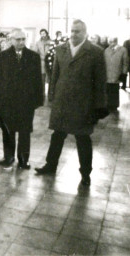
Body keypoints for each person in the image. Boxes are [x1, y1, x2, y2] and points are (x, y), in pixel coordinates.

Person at [35, 20, 107, 186]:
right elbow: (54, 76)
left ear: (85, 33)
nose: (74, 34)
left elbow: (100, 83)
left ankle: (85, 173)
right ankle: (50, 165)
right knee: (57, 135)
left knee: (83, 139)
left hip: (84, 104)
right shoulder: (61, 49)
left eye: (78, 31)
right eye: (72, 31)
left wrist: (99, 107)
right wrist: (51, 97)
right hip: (62, 101)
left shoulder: (95, 52)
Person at [0, 28, 43, 169]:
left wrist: (39, 99)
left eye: (23, 39)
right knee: (8, 131)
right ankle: (8, 158)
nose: (21, 42)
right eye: (18, 39)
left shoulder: (33, 57)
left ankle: (23, 160)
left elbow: (39, 79)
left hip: (27, 101)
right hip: (7, 101)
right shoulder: (2, 56)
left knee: (25, 131)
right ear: (11, 40)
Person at [104, 37, 129, 110]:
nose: (110, 44)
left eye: (112, 42)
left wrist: (124, 73)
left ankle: (114, 105)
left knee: (115, 89)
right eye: (109, 42)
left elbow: (125, 62)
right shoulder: (106, 50)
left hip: (117, 72)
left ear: (116, 42)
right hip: (108, 72)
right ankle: (108, 104)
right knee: (108, 88)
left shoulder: (123, 50)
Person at [35, 29, 52, 98]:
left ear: (47, 34)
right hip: (41, 63)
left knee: (50, 79)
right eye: (41, 34)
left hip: (50, 63)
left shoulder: (51, 42)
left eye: (44, 33)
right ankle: (42, 95)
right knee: (42, 79)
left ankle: (50, 95)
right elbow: (35, 53)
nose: (43, 35)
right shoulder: (38, 43)